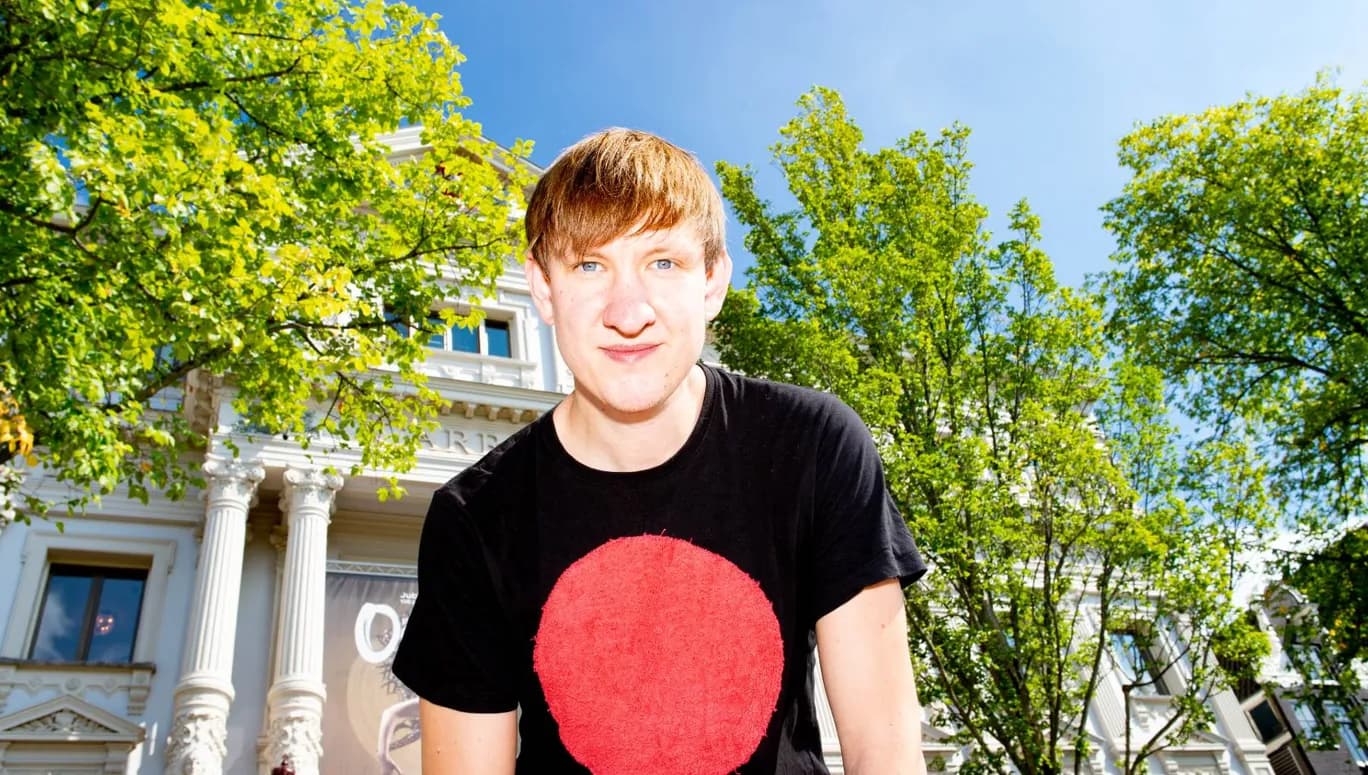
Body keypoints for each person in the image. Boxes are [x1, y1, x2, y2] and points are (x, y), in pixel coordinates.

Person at [392, 128, 928, 774]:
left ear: (712, 281)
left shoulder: (815, 447)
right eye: (590, 264)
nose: (628, 310)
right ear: (542, 286)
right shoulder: (474, 520)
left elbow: (886, 751)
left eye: (663, 263)